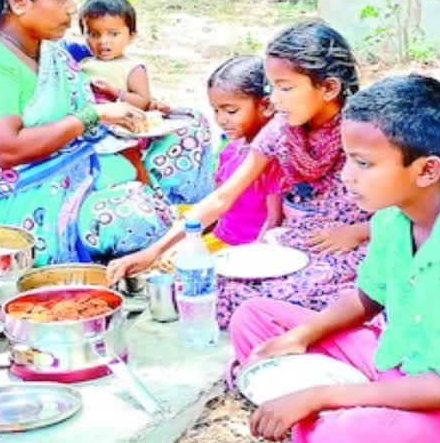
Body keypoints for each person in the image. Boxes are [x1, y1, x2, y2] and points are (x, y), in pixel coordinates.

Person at [231, 74, 440, 443]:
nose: (346, 176)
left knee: (344, 432)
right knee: (256, 318)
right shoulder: (391, 218)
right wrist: (304, 335)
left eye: (363, 164)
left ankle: (320, 420)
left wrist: (321, 395)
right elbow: (368, 297)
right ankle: (318, 418)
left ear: (427, 170)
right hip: (392, 357)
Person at [0, 0, 213, 266]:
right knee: (133, 215)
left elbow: (87, 123)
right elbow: (7, 150)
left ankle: (171, 216)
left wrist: (128, 121)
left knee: (190, 125)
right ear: (18, 1)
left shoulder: (50, 51)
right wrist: (93, 115)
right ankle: (156, 225)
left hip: (83, 158)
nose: (72, 8)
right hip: (30, 193)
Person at [108, 22, 371, 330]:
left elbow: (408, 209)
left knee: (276, 301)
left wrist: (356, 232)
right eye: (272, 88)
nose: (275, 100)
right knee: (201, 286)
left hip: (349, 245)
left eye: (286, 88)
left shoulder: (365, 131)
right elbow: (222, 197)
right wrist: (154, 251)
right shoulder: (281, 131)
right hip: (293, 242)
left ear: (328, 88)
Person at [77, 0, 170, 184]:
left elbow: (143, 101)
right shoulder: (82, 63)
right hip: (90, 124)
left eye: (113, 34)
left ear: (131, 36)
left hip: (122, 127)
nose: (103, 41)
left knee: (130, 156)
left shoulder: (132, 68)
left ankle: (150, 193)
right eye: (94, 34)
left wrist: (114, 92)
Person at [204, 56, 282, 251]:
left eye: (231, 111)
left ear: (266, 106)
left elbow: (274, 221)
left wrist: (255, 255)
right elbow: (217, 201)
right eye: (216, 110)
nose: (221, 120)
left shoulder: (271, 160)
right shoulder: (230, 148)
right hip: (221, 238)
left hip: (252, 249)